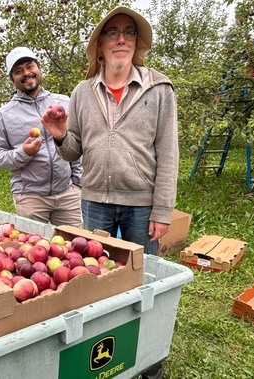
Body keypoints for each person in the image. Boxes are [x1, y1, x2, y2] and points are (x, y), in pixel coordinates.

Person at [41, 7, 179, 378]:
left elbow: (168, 152)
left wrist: (163, 209)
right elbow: (75, 149)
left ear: (137, 44)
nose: (121, 39)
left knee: (143, 276)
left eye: (129, 33)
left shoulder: (159, 88)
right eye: (113, 32)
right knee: (94, 275)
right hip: (95, 201)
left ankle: (149, 358)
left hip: (141, 204)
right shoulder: (83, 92)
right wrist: (58, 135)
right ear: (100, 45)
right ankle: (102, 342)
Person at [0, 47, 83, 227]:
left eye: (29, 66)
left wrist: (77, 184)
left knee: (73, 249)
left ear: (39, 69)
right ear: (12, 79)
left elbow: (78, 144)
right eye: (18, 71)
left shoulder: (64, 103)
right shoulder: (4, 115)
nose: (26, 73)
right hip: (30, 197)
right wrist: (23, 152)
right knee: (32, 250)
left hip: (67, 195)